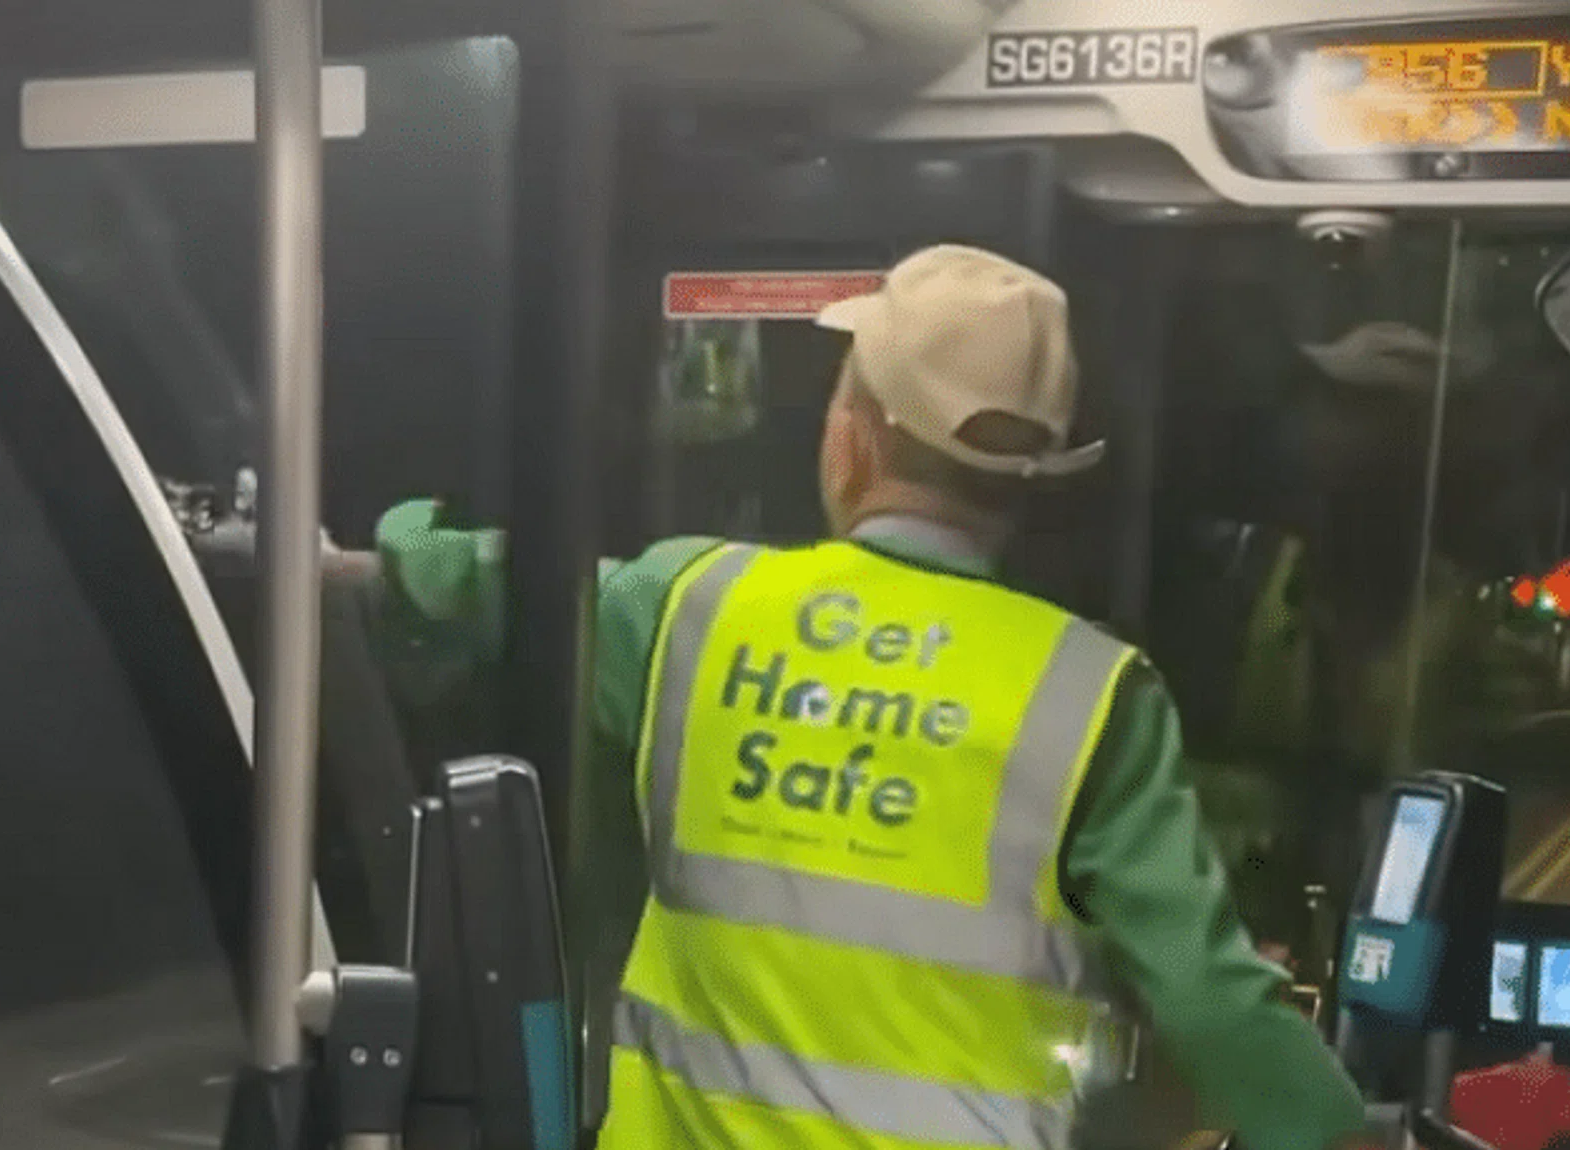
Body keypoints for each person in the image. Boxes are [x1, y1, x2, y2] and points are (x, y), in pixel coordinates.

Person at [368, 245, 1370, 1148]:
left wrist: (400, 538)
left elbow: (483, 583)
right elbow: (1213, 1006)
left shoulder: (691, 606)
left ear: (852, 444)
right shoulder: (1093, 696)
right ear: (1030, 483)